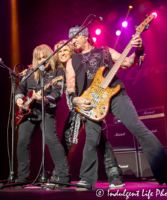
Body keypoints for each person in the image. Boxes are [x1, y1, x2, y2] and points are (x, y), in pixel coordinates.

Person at [65, 25, 167, 189]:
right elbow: (70, 84)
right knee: (91, 140)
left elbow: (128, 62)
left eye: (75, 37)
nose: (72, 42)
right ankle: (86, 179)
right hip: (91, 102)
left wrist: (139, 49)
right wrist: (75, 99)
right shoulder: (72, 61)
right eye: (71, 39)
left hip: (115, 95)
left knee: (138, 128)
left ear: (85, 36)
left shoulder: (105, 51)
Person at [51, 40, 125, 188]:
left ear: (72, 51)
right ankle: (60, 175)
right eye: (59, 51)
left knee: (99, 140)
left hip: (91, 105)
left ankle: (114, 173)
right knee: (66, 139)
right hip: (75, 109)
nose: (63, 53)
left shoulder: (80, 63)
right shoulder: (60, 70)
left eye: (65, 50)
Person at [15, 44, 70, 186]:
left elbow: (57, 94)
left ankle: (64, 176)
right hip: (28, 112)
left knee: (52, 141)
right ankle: (22, 178)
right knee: (22, 142)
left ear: (50, 57)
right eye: (39, 58)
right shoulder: (30, 72)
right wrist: (19, 99)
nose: (42, 61)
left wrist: (45, 99)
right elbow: (21, 88)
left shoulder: (57, 72)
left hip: (47, 111)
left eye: (45, 57)